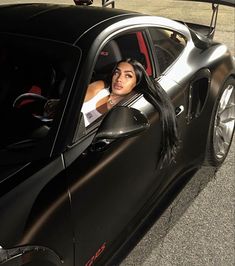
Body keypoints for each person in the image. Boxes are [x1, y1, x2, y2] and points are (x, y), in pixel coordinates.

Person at [45, 58, 179, 166]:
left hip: (76, 153)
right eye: (117, 72)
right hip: (54, 134)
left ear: (136, 83)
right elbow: (71, 104)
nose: (119, 79)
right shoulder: (100, 87)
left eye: (128, 76)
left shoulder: (127, 105)